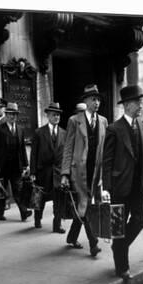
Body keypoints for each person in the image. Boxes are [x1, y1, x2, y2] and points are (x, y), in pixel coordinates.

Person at [102, 85, 143, 282]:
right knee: (119, 227)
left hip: (137, 186)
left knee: (140, 220)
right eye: (138, 102)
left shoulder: (142, 126)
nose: (141, 105)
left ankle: (119, 246)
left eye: (141, 101)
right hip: (119, 187)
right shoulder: (114, 129)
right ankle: (122, 268)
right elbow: (106, 161)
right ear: (127, 105)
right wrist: (106, 188)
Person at [61, 84, 106, 257]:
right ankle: (93, 243)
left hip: (95, 172)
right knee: (85, 205)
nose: (97, 102)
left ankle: (72, 237)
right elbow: (68, 148)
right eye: (93, 99)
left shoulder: (103, 121)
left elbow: (103, 149)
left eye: (98, 99)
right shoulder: (74, 120)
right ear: (86, 101)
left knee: (85, 204)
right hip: (78, 172)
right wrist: (65, 173)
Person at [0, 102, 32, 222]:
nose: (13, 117)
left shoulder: (19, 129)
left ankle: (24, 212)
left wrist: (26, 165)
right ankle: (0, 213)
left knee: (18, 189)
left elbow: (22, 149)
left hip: (15, 166)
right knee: (1, 190)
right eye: (10, 114)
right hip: (1, 165)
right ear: (6, 115)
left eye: (15, 114)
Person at [30, 102, 66, 233]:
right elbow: (33, 154)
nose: (56, 117)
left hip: (58, 172)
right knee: (41, 197)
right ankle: (37, 218)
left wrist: (66, 172)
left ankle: (57, 225)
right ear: (48, 116)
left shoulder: (64, 133)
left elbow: (66, 155)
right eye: (54, 115)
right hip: (43, 171)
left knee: (59, 200)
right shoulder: (39, 133)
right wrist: (33, 171)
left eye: (58, 115)